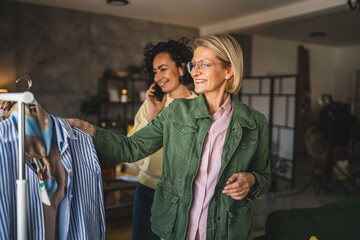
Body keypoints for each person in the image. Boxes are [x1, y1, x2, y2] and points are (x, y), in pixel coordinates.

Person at [67, 33, 271, 240]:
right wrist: (84, 127)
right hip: (177, 229)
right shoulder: (176, 111)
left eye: (204, 64)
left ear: (229, 70)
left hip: (228, 231)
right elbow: (130, 148)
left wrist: (252, 179)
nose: (195, 72)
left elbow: (264, 176)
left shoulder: (254, 122)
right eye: (194, 65)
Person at [126, 38, 197, 240]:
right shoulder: (151, 104)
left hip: (183, 194)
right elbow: (132, 150)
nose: (158, 76)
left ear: (182, 69)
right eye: (155, 71)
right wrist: (151, 118)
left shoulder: (199, 107)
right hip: (147, 190)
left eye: (163, 69)